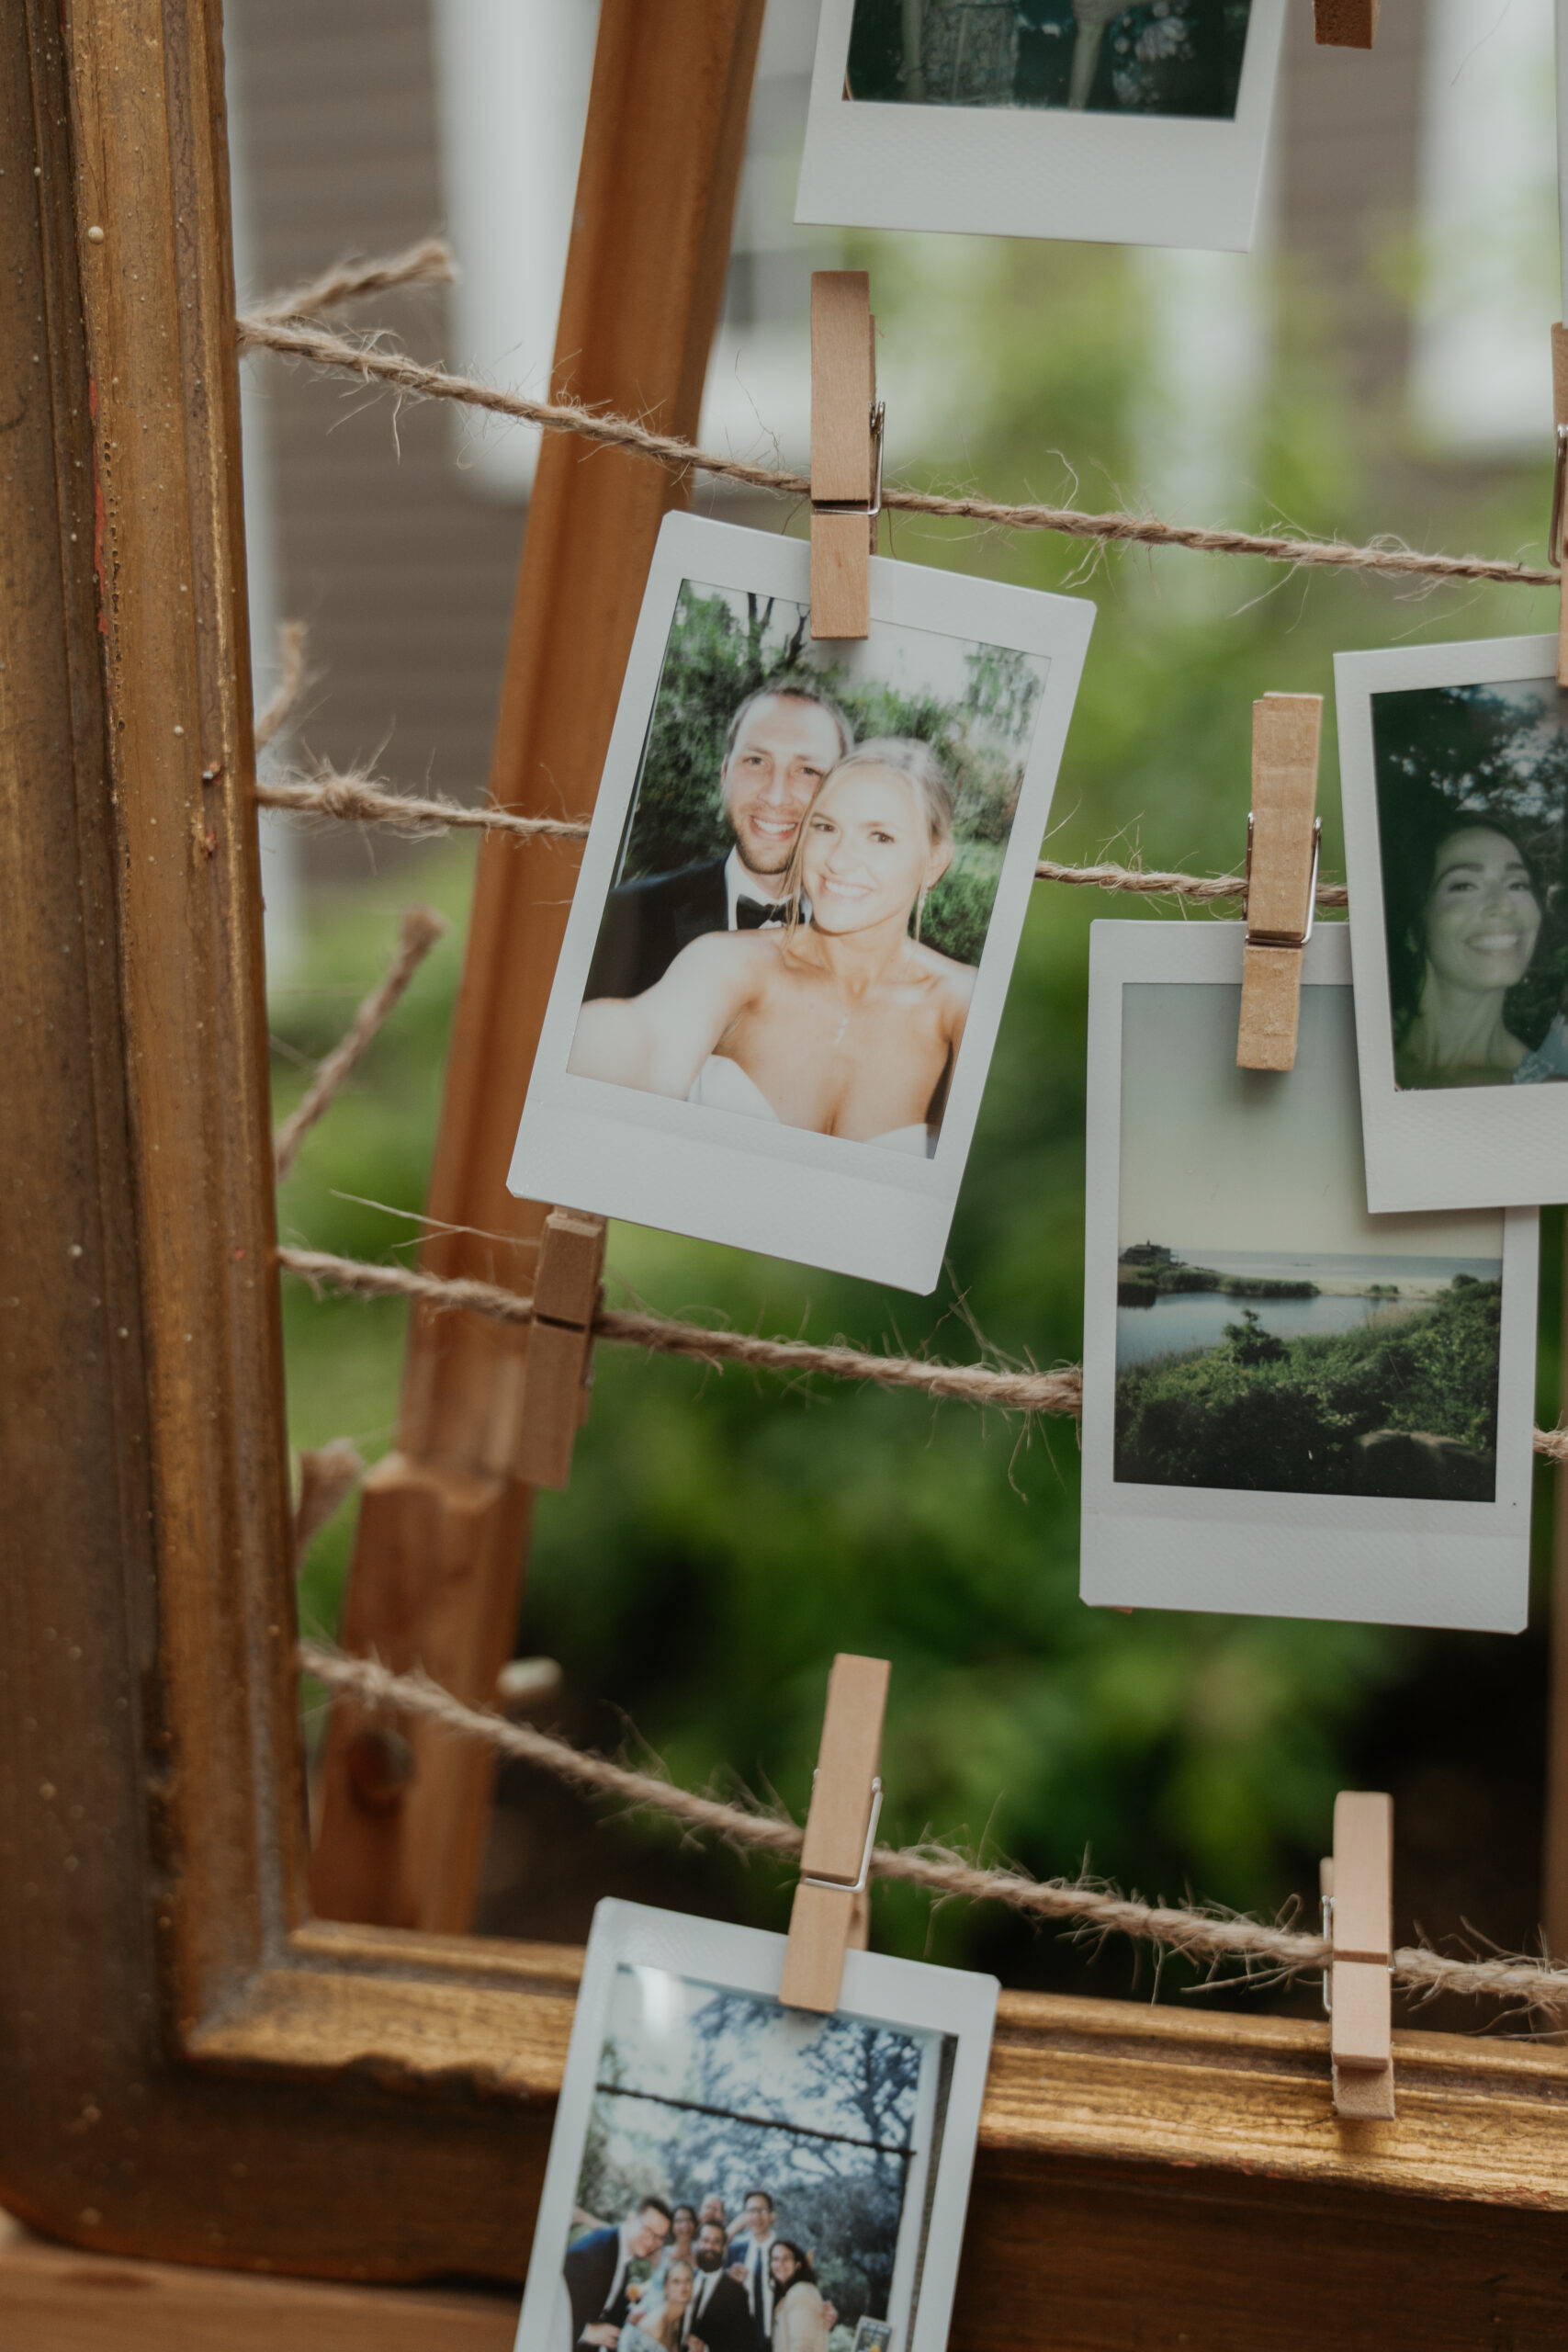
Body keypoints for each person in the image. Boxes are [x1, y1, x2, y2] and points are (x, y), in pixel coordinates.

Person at [570, 740, 974, 1156]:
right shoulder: (729, 962)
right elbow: (643, 1040)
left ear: (934, 862)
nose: (839, 859)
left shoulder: (963, 1004)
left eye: (880, 837)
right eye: (826, 827)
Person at [586, 682, 853, 1001]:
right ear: (725, 775)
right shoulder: (622, 919)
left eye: (807, 770)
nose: (775, 795)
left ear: (840, 792)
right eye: (756, 761)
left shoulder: (867, 953)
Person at [1386, 817, 1547, 1089]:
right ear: (1414, 928)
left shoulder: (1548, 1094)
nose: (1504, 906)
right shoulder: (1349, 1045)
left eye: (1517, 884)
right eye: (1465, 886)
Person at [565, 2197, 673, 2348]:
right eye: (648, 2230)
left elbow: (606, 2307)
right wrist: (586, 2331)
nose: (651, 2242)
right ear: (631, 2219)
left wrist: (629, 2318)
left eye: (659, 2238)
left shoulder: (621, 2254)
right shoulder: (595, 2252)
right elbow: (555, 2307)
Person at [686, 2220, 755, 2352]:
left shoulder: (737, 2294)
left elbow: (742, 2345)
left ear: (724, 2248)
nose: (709, 2247)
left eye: (716, 2242)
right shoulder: (685, 2279)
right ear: (697, 2244)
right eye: (705, 2240)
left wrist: (705, 2349)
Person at [726, 2189, 778, 2350]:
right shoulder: (735, 2252)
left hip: (778, 2340)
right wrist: (727, 2276)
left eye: (762, 2211)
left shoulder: (784, 2253)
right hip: (741, 2341)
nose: (756, 2217)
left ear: (772, 2216)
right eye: (751, 2211)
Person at [768, 2243, 829, 2352]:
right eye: (775, 2259)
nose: (780, 2263)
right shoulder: (791, 2293)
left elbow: (802, 2347)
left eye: (786, 2259)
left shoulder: (801, 2293)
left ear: (798, 2264)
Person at [634, 2256, 696, 2350]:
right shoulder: (656, 2326)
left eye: (687, 2280)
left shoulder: (680, 2319)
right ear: (666, 2288)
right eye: (676, 2281)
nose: (683, 2287)